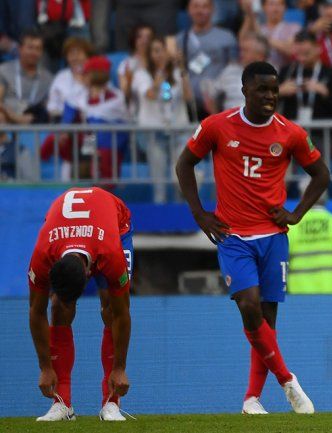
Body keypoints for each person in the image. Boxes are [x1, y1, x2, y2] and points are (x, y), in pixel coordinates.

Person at [175, 61, 330, 415]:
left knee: (267, 321)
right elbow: (184, 163)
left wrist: (296, 213)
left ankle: (251, 399)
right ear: (244, 90)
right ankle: (288, 382)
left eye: (274, 90)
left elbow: (321, 175)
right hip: (233, 236)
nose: (270, 96)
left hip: (273, 237)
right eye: (262, 90)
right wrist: (199, 213)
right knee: (248, 306)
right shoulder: (216, 126)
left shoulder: (289, 133)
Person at [28, 187, 133, 421]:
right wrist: (45, 367)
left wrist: (120, 368)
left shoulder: (110, 254)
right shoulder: (43, 253)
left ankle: (111, 403)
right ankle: (62, 404)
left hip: (116, 227)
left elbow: (122, 313)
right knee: (57, 308)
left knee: (109, 306)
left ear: (88, 274)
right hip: (65, 231)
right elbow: (36, 311)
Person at [133, 36, 194, 204]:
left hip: (179, 130)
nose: (159, 55)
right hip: (155, 133)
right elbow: (150, 95)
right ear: (149, 54)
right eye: (155, 51)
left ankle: (182, 219)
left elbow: (189, 97)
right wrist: (159, 76)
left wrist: (181, 69)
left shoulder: (177, 73)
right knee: (159, 180)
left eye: (162, 50)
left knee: (181, 177)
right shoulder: (141, 74)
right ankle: (160, 220)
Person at [62, 56, 130, 183]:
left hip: (110, 144)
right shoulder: (82, 95)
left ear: (95, 75)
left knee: (105, 179)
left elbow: (104, 116)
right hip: (89, 141)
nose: (83, 77)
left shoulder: (115, 96)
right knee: (84, 174)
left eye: (86, 74)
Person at [176, 0, 238, 120]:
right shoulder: (180, 39)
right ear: (189, 10)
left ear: (212, 9)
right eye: (196, 6)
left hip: (218, 103)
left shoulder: (227, 37)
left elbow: (234, 69)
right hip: (189, 103)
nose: (200, 11)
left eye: (205, 6)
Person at [278, 30, 332, 122]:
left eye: (306, 53)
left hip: (322, 132)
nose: (302, 58)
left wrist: (325, 93)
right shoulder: (287, 72)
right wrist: (280, 92)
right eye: (299, 54)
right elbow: (269, 105)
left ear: (318, 48)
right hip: (293, 132)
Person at [203, 32, 270, 114]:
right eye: (241, 50)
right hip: (230, 123)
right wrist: (217, 119)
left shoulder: (271, 74)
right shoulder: (230, 70)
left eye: (245, 50)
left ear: (260, 56)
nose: (241, 54)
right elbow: (209, 96)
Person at [0, 29, 53, 125]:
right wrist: (16, 118)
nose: (34, 52)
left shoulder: (48, 78)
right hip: (7, 120)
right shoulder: (3, 70)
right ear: (20, 49)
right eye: (30, 48)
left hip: (35, 124)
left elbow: (50, 107)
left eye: (38, 49)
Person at [239, 0, 301, 70]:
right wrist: (249, 14)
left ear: (285, 8)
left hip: (282, 73)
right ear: (263, 7)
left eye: (280, 4)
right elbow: (242, 41)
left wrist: (255, 22)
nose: (276, 8)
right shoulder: (260, 28)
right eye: (271, 4)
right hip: (258, 71)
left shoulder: (294, 28)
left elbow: (291, 50)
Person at [47, 37, 92, 121]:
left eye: (78, 53)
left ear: (87, 56)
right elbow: (52, 106)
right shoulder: (61, 77)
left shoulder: (96, 74)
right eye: (71, 54)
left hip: (92, 124)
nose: (75, 58)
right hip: (65, 125)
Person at [117, 23, 155, 118]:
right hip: (137, 116)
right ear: (133, 40)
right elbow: (125, 96)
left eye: (148, 37)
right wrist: (129, 81)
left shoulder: (159, 62)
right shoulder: (126, 65)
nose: (144, 40)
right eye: (140, 36)